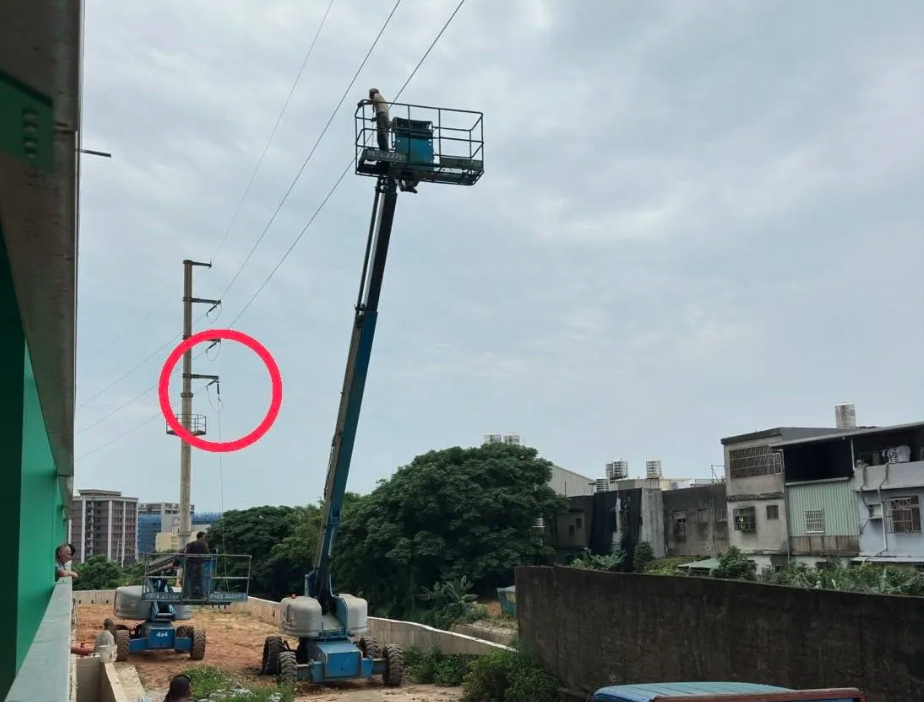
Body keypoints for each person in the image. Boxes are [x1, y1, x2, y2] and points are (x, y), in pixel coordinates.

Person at [183, 532, 210, 598]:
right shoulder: (204, 544)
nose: (204, 538)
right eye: (204, 537)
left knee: (189, 580)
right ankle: (203, 595)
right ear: (201, 537)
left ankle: (188, 595)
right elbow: (207, 553)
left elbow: (187, 553)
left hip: (191, 563)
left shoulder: (192, 543)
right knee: (202, 580)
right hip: (200, 564)